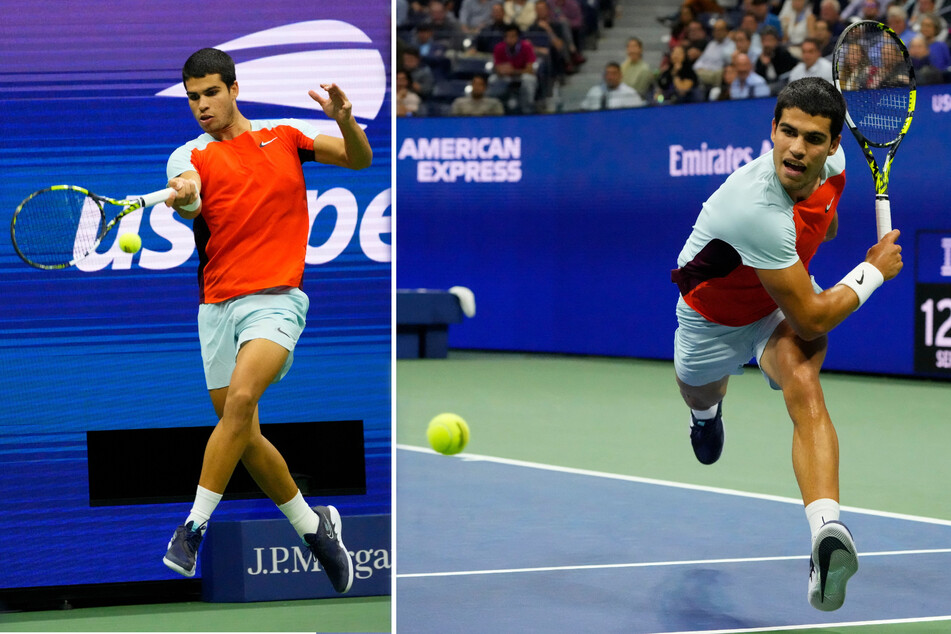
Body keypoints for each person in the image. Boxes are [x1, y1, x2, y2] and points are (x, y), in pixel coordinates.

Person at [671, 77, 903, 612]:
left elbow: (828, 221)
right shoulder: (754, 207)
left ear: (832, 147)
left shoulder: (835, 171)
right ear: (772, 130)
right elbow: (813, 313)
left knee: (804, 379)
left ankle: (827, 531)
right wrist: (872, 272)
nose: (797, 148)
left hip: (775, 303)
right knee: (700, 395)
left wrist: (826, 232)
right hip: (711, 321)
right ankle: (706, 416)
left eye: (813, 139)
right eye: (787, 132)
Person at [161, 48, 373, 594]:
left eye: (210, 93)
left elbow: (359, 160)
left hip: (276, 299)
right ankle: (314, 527)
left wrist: (346, 121)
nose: (201, 106)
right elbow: (187, 197)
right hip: (216, 307)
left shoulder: (284, 136)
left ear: (234, 88)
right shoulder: (189, 155)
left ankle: (193, 527)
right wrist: (185, 197)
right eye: (192, 98)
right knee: (245, 435)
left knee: (238, 403)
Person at [489, 24, 540, 113]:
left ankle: (528, 109)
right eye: (507, 36)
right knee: (492, 80)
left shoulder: (526, 47)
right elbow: (498, 69)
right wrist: (502, 71)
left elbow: (530, 70)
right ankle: (497, 109)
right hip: (506, 76)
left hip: (521, 76)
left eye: (512, 36)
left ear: (518, 37)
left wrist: (514, 71)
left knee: (529, 79)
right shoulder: (499, 48)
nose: (510, 39)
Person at [580, 61, 646, 109]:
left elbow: (637, 115)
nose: (610, 77)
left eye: (614, 74)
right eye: (608, 74)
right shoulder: (594, 91)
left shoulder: (629, 93)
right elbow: (583, 109)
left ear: (620, 76)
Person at [694, 18, 736, 88]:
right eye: (715, 30)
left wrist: (704, 70)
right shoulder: (711, 44)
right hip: (705, 74)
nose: (717, 32)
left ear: (726, 31)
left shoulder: (731, 45)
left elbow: (726, 63)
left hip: (719, 79)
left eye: (720, 30)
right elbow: (700, 61)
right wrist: (699, 68)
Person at [756, 25, 799, 93]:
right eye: (764, 40)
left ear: (776, 41)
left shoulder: (783, 54)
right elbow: (759, 79)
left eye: (769, 40)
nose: (766, 44)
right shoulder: (760, 58)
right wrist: (763, 66)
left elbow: (785, 76)